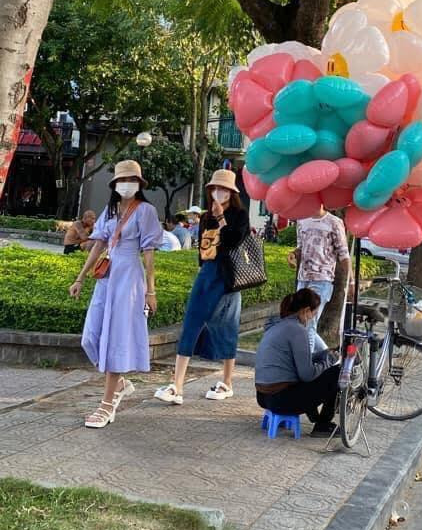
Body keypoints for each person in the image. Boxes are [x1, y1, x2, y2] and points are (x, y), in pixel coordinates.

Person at [69, 160, 163, 428]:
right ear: (115, 185)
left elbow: (149, 254)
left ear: (139, 184)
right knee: (91, 337)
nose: (127, 185)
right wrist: (80, 279)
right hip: (107, 278)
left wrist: (151, 291)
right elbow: (97, 245)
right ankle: (119, 383)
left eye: (132, 180)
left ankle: (107, 404)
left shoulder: (146, 211)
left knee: (116, 338)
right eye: (123, 181)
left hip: (129, 279)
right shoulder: (109, 211)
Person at [154, 169, 250, 406]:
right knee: (191, 322)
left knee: (227, 325)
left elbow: (232, 241)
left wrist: (221, 218)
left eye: (225, 189)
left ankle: (227, 382)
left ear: (232, 192)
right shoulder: (206, 216)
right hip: (208, 273)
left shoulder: (239, 215)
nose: (220, 192)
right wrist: (201, 265)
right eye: (216, 188)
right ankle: (177, 385)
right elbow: (203, 245)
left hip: (229, 277)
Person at [255, 288, 340, 437]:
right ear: (306, 311)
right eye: (313, 315)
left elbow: (300, 359)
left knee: (317, 370)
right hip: (281, 400)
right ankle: (323, 424)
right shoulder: (298, 330)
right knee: (337, 373)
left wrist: (324, 354)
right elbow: (307, 374)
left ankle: (316, 419)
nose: (312, 319)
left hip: (263, 397)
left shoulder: (276, 326)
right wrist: (330, 360)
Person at [288, 206, 351, 352]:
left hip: (322, 280)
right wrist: (293, 255)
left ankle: (307, 366)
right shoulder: (302, 220)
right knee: (302, 322)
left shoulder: (334, 222)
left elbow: (344, 255)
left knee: (309, 321)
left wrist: (351, 281)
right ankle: (329, 358)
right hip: (303, 279)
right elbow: (301, 247)